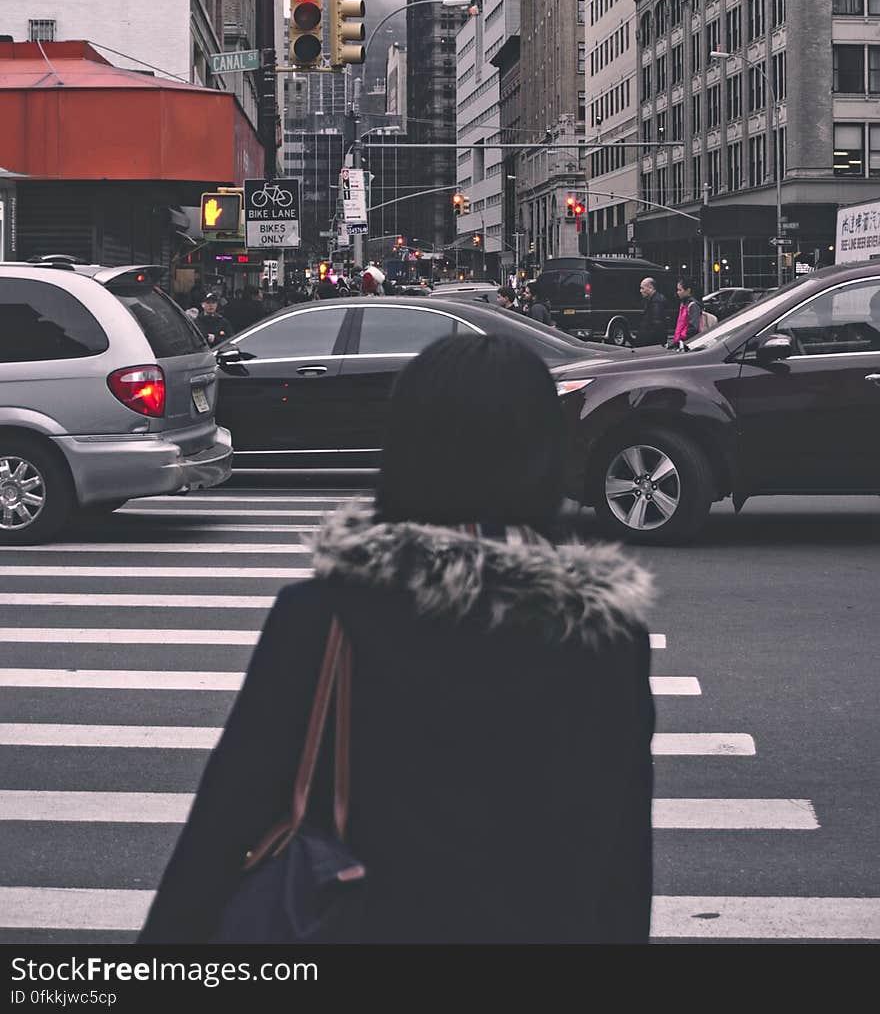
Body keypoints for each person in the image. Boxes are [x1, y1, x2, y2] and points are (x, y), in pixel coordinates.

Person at [138, 334, 654, 945]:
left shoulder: (323, 617)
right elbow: (622, 862)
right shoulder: (605, 632)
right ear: (545, 450)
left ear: (407, 445)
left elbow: (223, 826)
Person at [635, 277, 669, 348]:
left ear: (650, 288)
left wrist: (643, 339)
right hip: (652, 342)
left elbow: (657, 324)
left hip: (652, 344)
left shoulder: (656, 302)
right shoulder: (652, 300)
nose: (640, 291)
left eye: (642, 288)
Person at [671, 278, 703, 348]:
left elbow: (694, 327)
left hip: (685, 342)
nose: (678, 292)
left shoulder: (692, 305)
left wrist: (683, 340)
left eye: (680, 290)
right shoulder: (684, 303)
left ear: (688, 290)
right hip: (680, 341)